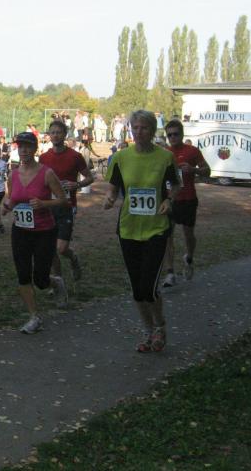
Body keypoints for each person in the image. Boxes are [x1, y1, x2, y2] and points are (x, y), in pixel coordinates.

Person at [103, 110, 179, 353]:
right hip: (128, 228)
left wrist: (169, 200)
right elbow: (113, 186)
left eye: (144, 128)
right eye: (135, 127)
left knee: (149, 287)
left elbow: (175, 185)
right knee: (137, 290)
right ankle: (148, 330)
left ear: (152, 130)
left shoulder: (165, 157)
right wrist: (109, 198)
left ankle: (160, 327)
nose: (139, 132)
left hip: (156, 228)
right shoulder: (121, 157)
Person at [2, 132, 68, 333]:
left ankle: (55, 282)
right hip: (20, 230)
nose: (23, 150)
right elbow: (12, 198)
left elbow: (63, 200)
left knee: (40, 279)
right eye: (20, 146)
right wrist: (6, 206)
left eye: (28, 146)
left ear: (35, 148)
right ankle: (34, 316)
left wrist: (44, 203)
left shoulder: (46, 173)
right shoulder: (13, 175)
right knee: (23, 274)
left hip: (44, 231)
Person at [39, 119, 93, 307]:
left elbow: (89, 177)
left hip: (68, 206)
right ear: (49, 135)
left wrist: (76, 184)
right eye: (52, 132)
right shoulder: (44, 158)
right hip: (49, 206)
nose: (55, 135)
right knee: (51, 249)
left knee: (61, 249)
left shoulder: (75, 156)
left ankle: (73, 257)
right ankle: (59, 283)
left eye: (58, 132)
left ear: (65, 134)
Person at [161, 120, 210, 288]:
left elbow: (207, 171)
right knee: (168, 236)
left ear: (182, 134)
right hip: (170, 200)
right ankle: (170, 273)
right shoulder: (164, 153)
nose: (172, 137)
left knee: (188, 234)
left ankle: (189, 257)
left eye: (175, 134)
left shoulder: (192, 151)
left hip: (188, 199)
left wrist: (193, 169)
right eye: (169, 135)